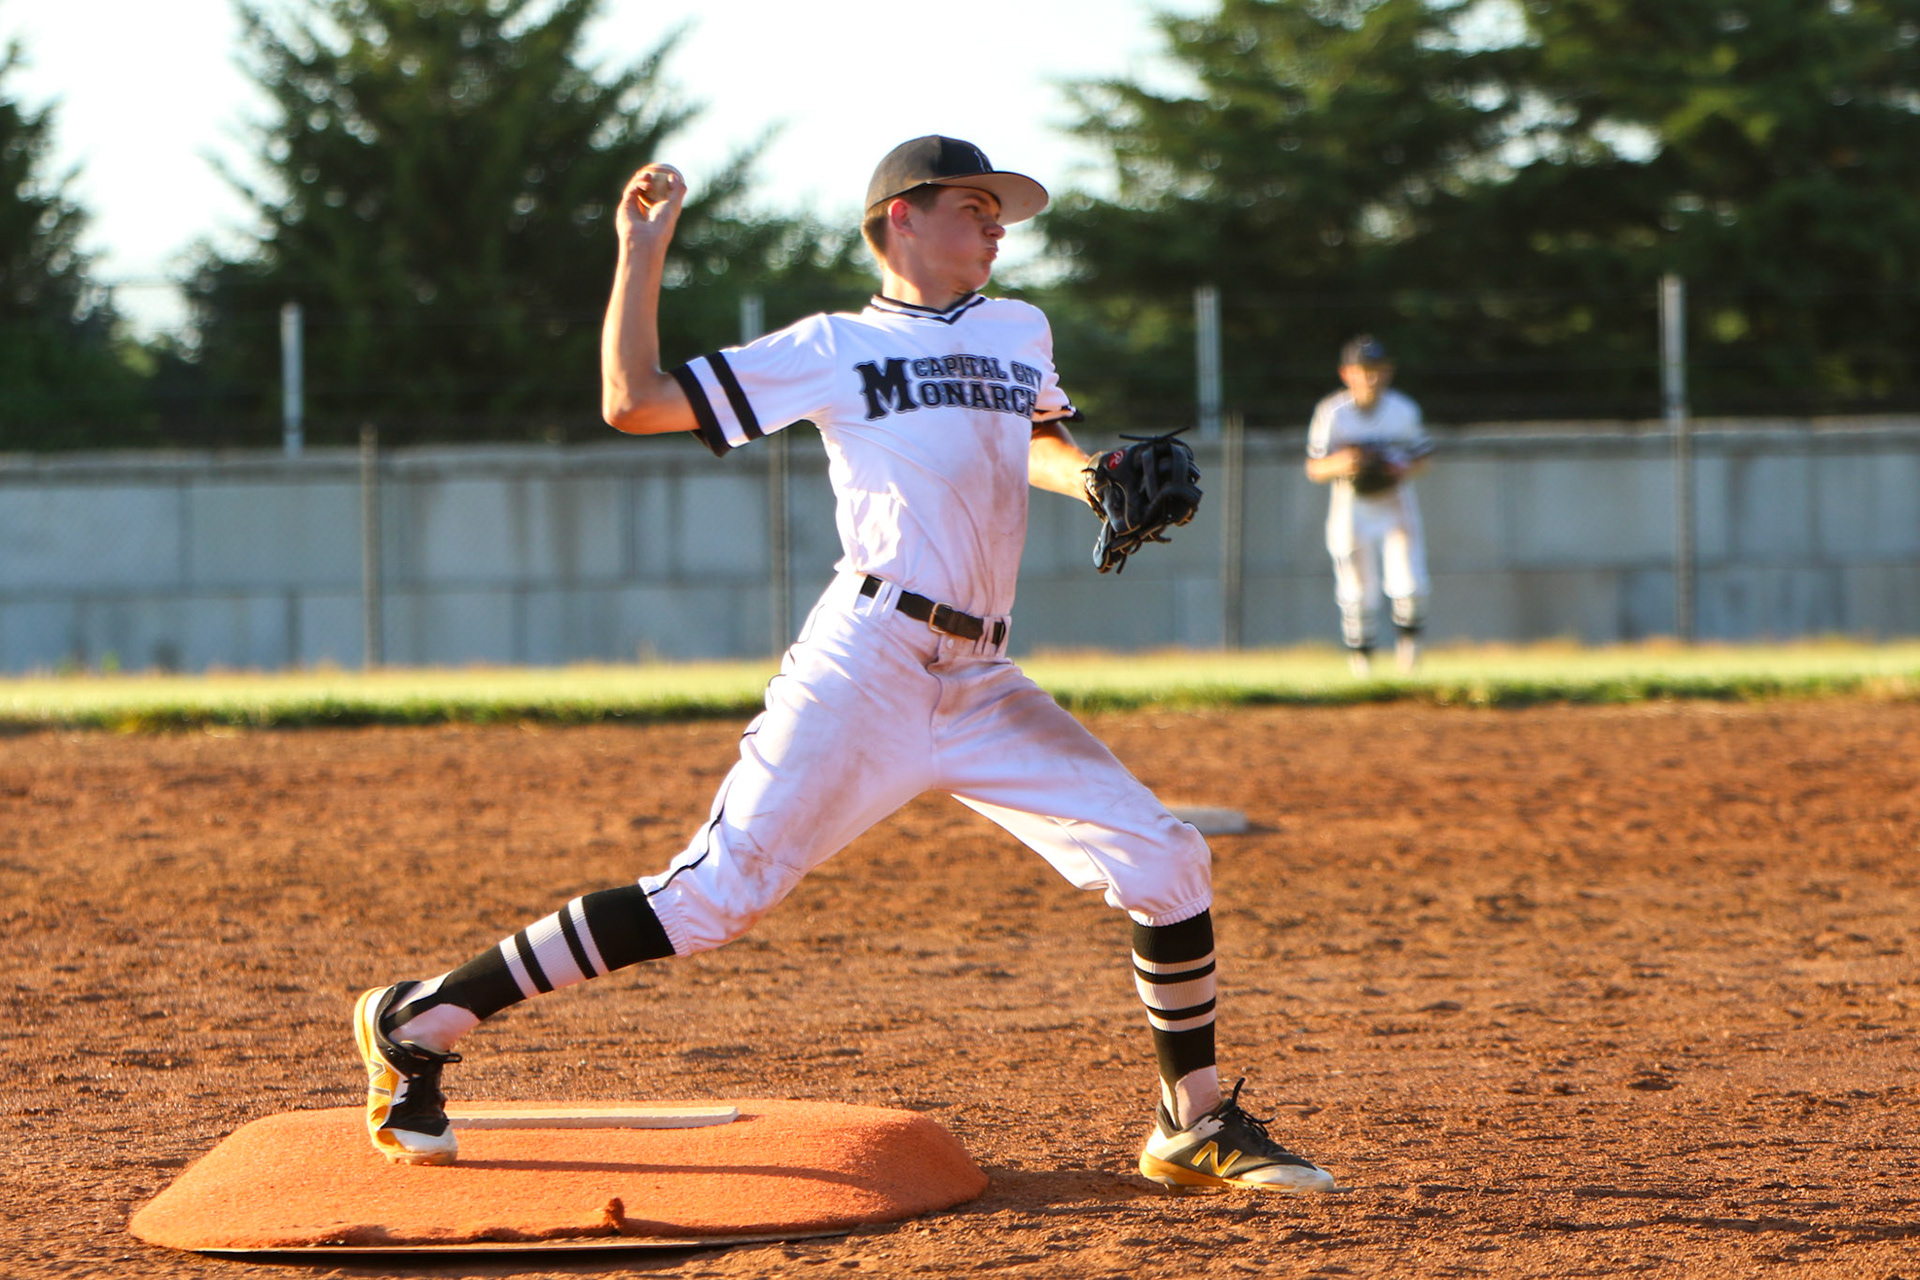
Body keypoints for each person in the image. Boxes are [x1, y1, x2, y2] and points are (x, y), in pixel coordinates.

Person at [352, 136, 1335, 1195]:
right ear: (899, 217)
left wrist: (1095, 473)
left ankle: (1190, 1121)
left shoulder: (1020, 327)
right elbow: (633, 400)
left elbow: (1037, 442)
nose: (999, 224)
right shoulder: (834, 344)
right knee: (711, 898)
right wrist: (641, 255)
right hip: (868, 660)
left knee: (1167, 858)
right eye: (974, 205)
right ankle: (419, 1018)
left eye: (1003, 210)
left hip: (982, 677)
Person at [1304, 336, 1433, 675]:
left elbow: (1422, 458)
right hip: (1350, 502)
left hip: (1394, 498)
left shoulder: (1402, 409)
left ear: (1388, 372)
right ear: (1347, 373)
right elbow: (1315, 466)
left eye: (1377, 370)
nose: (1371, 378)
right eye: (1364, 370)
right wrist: (1349, 461)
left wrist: (1397, 467)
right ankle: (1362, 670)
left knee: (1411, 582)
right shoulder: (1332, 412)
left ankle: (1410, 664)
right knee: (1356, 592)